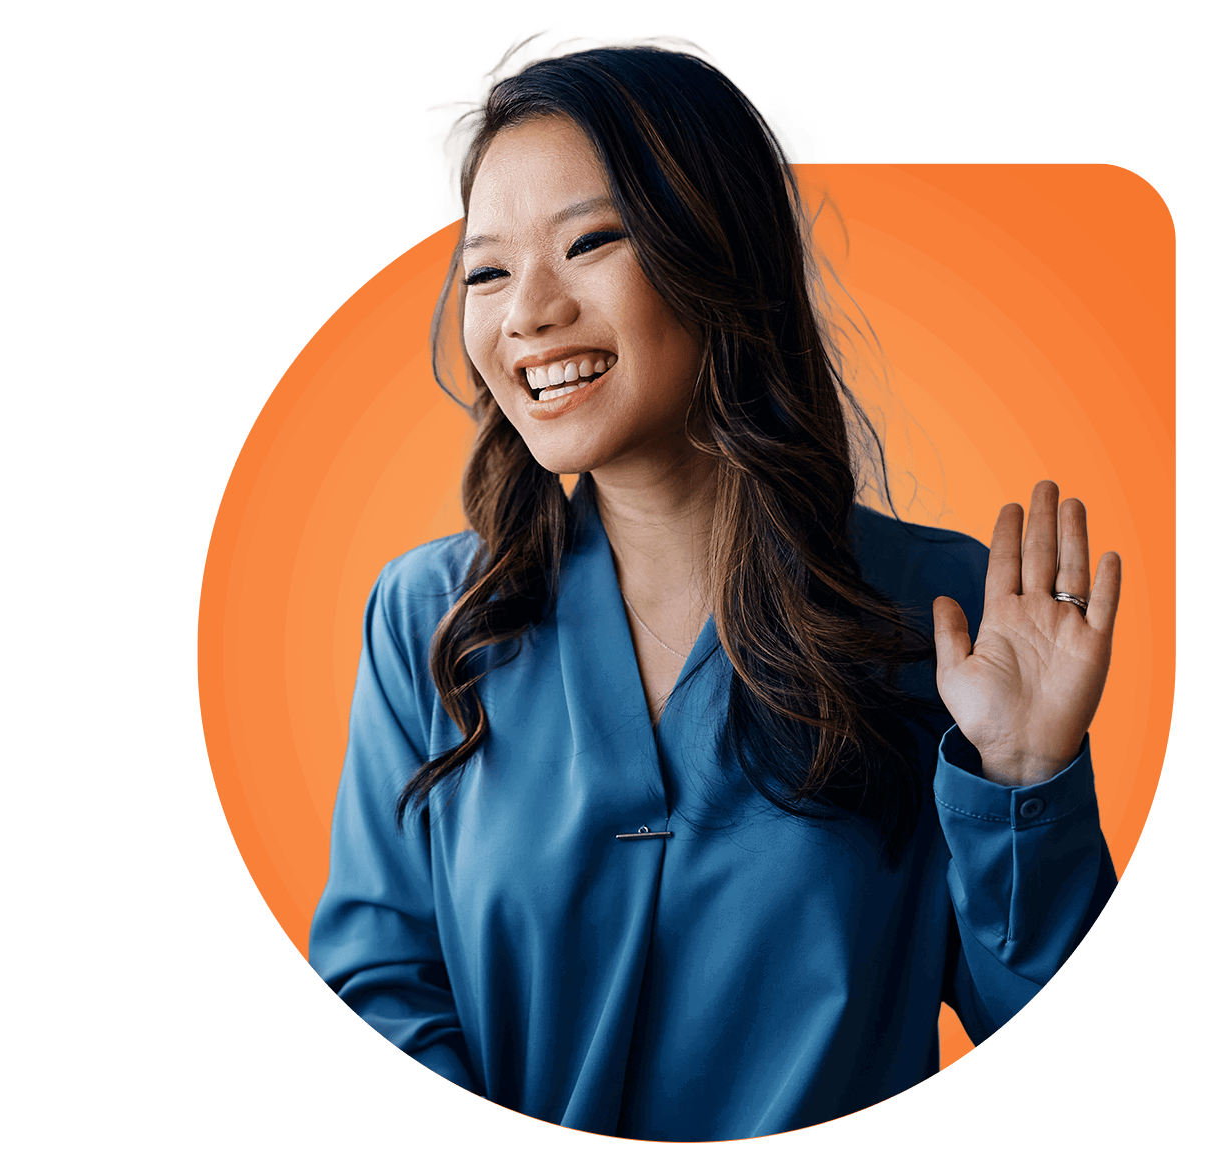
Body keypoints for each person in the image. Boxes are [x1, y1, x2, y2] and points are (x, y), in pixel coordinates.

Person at [310, 47, 1121, 1141]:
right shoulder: (427, 620)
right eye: (486, 272)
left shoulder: (946, 616)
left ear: (719, 256)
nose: (528, 314)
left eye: (590, 243)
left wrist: (1025, 781)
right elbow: (378, 989)